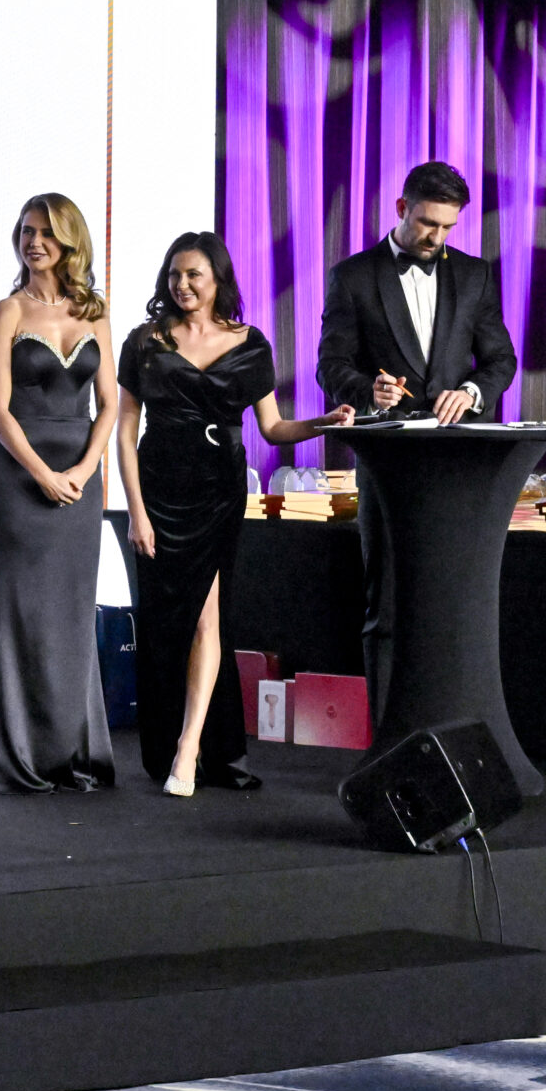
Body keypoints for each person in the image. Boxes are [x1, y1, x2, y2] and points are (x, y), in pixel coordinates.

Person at [116, 232, 355, 796]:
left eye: (194, 275)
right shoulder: (144, 341)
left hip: (218, 492)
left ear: (218, 278)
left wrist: (323, 423)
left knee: (208, 620)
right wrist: (136, 512)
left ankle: (189, 748)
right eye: (174, 275)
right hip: (160, 490)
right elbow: (125, 433)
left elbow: (273, 428)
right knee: (164, 626)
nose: (182, 285)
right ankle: (185, 745)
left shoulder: (250, 344)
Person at [314, 160, 518, 717]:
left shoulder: (474, 275)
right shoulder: (352, 277)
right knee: (386, 602)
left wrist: (472, 392)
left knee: (457, 605)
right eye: (428, 223)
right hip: (388, 463)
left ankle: (455, 727)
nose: (437, 237)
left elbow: (500, 360)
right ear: (402, 208)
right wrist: (368, 390)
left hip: (459, 465)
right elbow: (330, 366)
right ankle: (387, 734)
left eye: (448, 227)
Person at [0, 195, 119, 793]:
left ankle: (73, 750)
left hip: (81, 480)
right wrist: (40, 473)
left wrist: (85, 469)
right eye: (27, 231)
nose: (34, 242)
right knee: (23, 613)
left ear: (69, 242)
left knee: (72, 613)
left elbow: (110, 404)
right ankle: (20, 755)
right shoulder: (7, 310)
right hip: (19, 478)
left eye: (47, 233)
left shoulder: (94, 313)